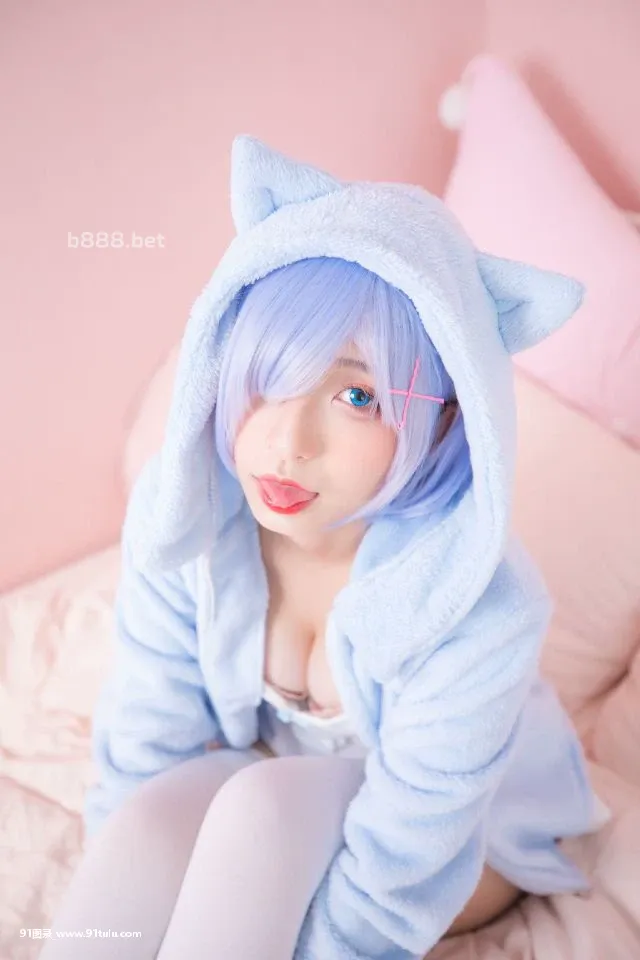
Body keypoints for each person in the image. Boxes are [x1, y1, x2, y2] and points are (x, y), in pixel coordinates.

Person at [40, 135, 608, 960]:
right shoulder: (191, 520)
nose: (288, 444)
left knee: (260, 815)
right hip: (286, 780)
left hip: (465, 832)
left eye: (357, 396)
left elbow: (408, 856)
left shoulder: (478, 605)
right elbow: (146, 740)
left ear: (446, 416)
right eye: (269, 378)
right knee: (155, 819)